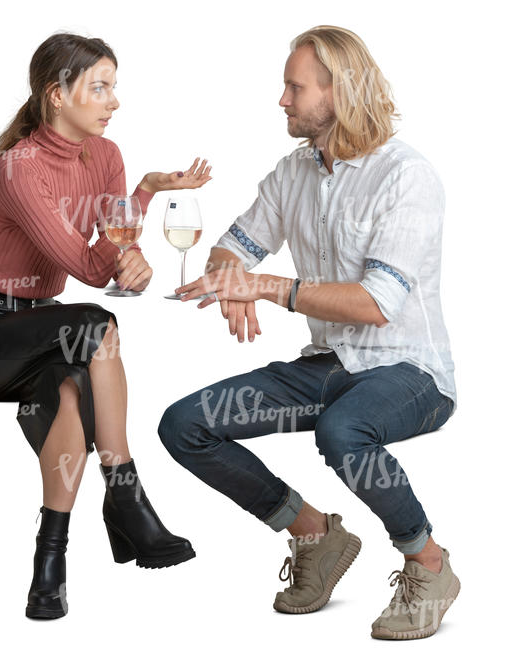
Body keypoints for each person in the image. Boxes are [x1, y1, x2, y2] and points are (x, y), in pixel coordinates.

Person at [158, 25, 459, 640]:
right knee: (185, 425)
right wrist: (229, 277)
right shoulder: (293, 172)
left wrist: (266, 288)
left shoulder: (407, 177)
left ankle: (428, 562)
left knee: (343, 431)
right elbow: (230, 247)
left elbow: (378, 303)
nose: (283, 100)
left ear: (338, 91)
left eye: (294, 87)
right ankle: (315, 535)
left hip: (410, 371)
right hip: (328, 366)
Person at [0, 32, 212, 620]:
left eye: (114, 86)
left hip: (37, 330)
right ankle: (127, 498)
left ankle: (47, 569)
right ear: (57, 95)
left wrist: (141, 215)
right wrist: (112, 264)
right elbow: (81, 267)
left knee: (67, 392)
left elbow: (105, 256)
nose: (113, 100)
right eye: (99, 87)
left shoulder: (105, 156)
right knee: (96, 324)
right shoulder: (19, 169)